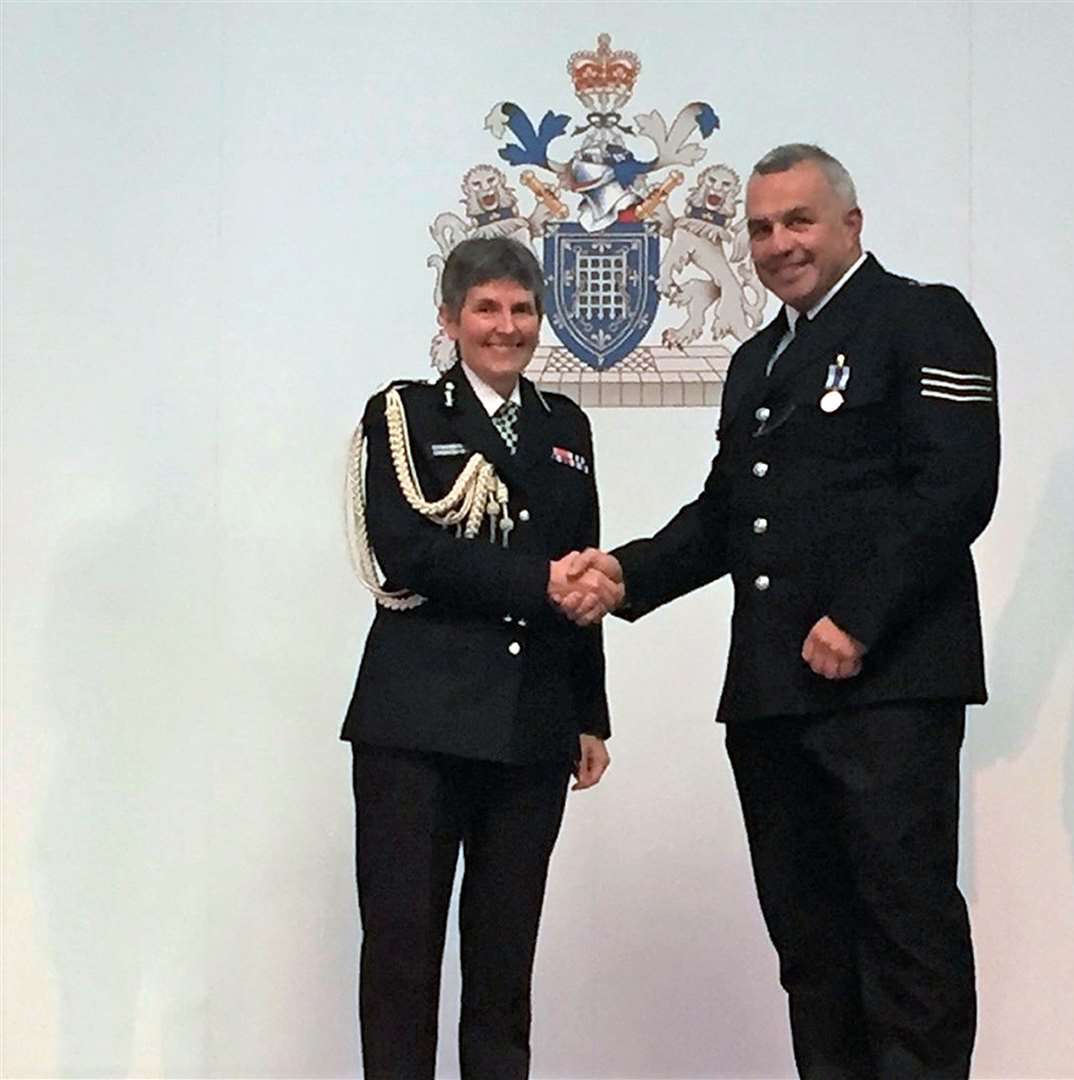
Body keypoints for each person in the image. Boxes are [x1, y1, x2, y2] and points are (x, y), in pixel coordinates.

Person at [567, 144, 999, 1078]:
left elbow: (954, 489)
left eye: (798, 220)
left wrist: (859, 618)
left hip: (886, 691)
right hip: (771, 700)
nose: (778, 243)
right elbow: (730, 512)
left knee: (905, 937)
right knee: (811, 952)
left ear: (850, 222)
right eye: (760, 228)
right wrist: (625, 576)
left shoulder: (923, 319)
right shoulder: (759, 358)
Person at [342, 236, 623, 1079]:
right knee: (402, 958)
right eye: (487, 309)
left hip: (529, 724)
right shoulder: (404, 417)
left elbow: (582, 566)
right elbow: (406, 554)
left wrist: (588, 714)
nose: (507, 328)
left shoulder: (563, 426)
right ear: (449, 319)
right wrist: (538, 580)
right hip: (416, 724)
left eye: (522, 309)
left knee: (504, 967)